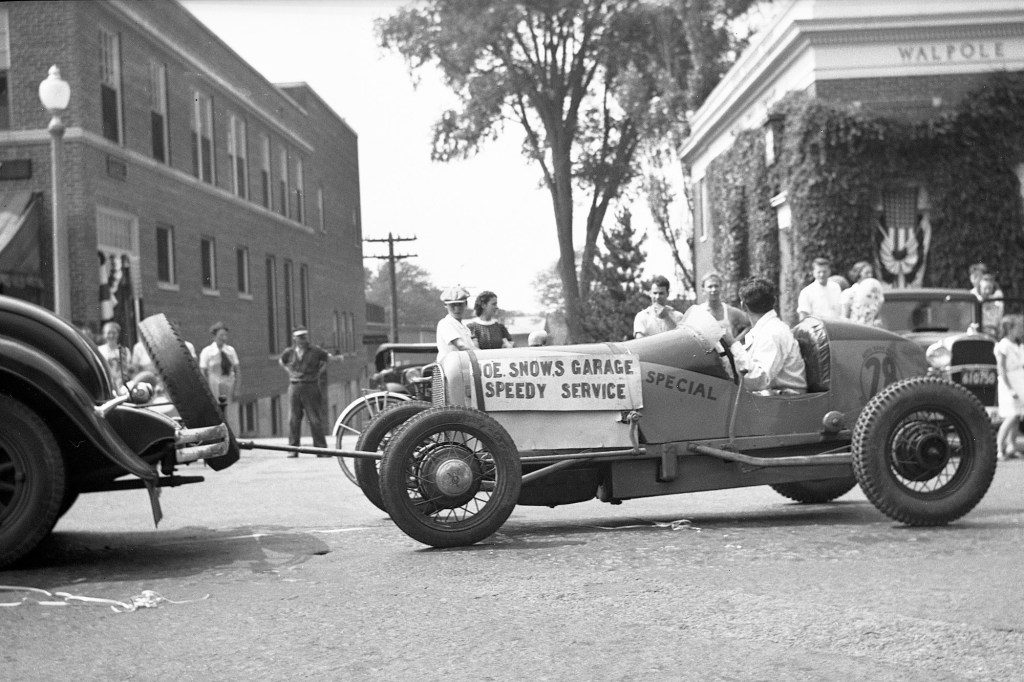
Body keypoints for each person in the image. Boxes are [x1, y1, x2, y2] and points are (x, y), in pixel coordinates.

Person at [721, 277, 807, 395]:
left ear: (743, 306)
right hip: (774, 396)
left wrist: (733, 343)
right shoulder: (767, 329)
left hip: (786, 400)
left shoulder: (772, 333)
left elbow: (759, 379)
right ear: (774, 301)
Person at [279, 326, 330, 456]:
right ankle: (293, 449)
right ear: (294, 338)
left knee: (314, 419)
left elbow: (327, 359)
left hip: (311, 386)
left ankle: (321, 449)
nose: (303, 339)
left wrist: (319, 372)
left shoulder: (315, 351)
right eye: (300, 337)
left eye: (304, 336)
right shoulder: (289, 352)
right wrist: (289, 371)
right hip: (295, 386)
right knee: (293, 419)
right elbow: (282, 361)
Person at [198, 321, 241, 430]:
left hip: (229, 385)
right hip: (214, 386)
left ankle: (234, 438)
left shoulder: (231, 351)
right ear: (214, 336)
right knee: (217, 413)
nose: (224, 338)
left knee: (231, 414)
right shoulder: (207, 352)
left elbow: (237, 370)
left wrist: (237, 389)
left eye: (225, 335)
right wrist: (206, 390)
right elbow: (203, 371)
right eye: (221, 335)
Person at [995, 314, 1024, 461]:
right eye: (1018, 327)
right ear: (1009, 329)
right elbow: (1001, 368)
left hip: (1020, 380)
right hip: (1010, 382)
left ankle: (1011, 446)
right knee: (1011, 415)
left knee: (1018, 415)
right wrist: (1010, 388)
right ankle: (999, 447)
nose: (1021, 330)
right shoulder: (1003, 345)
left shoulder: (1019, 344)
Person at [695, 272, 749, 339]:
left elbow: (750, 324)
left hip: (729, 349)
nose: (713, 289)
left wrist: (737, 340)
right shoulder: (698, 312)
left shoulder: (730, 311)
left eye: (716, 286)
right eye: (710, 287)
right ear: (703, 290)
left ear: (721, 288)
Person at [436, 285, 476, 361]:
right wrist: (482, 356)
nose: (457, 309)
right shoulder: (445, 323)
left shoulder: (464, 327)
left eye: (460, 304)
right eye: (453, 305)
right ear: (445, 305)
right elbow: (461, 345)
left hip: (463, 367)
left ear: (466, 304)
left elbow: (472, 348)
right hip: (449, 369)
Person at [97, 321, 133, 395]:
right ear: (104, 335)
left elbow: (128, 370)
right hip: (106, 386)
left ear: (118, 334)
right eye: (109, 333)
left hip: (122, 387)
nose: (111, 335)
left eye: (114, 333)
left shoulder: (125, 351)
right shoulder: (99, 350)